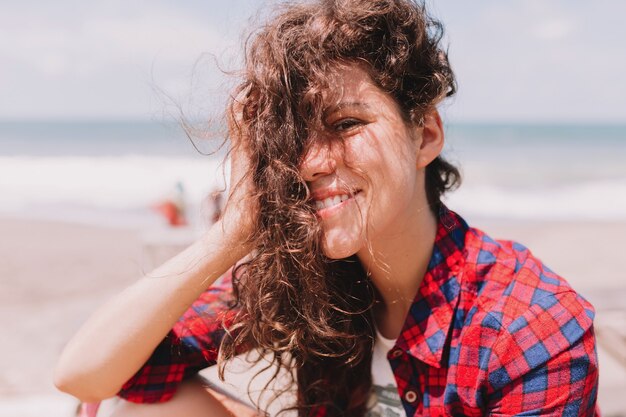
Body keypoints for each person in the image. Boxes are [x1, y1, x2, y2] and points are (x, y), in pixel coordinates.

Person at [54, 1, 600, 416]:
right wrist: (236, 230)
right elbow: (90, 374)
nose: (311, 162)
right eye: (294, 139)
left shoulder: (526, 326)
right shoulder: (308, 274)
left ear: (425, 133)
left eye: (346, 125)